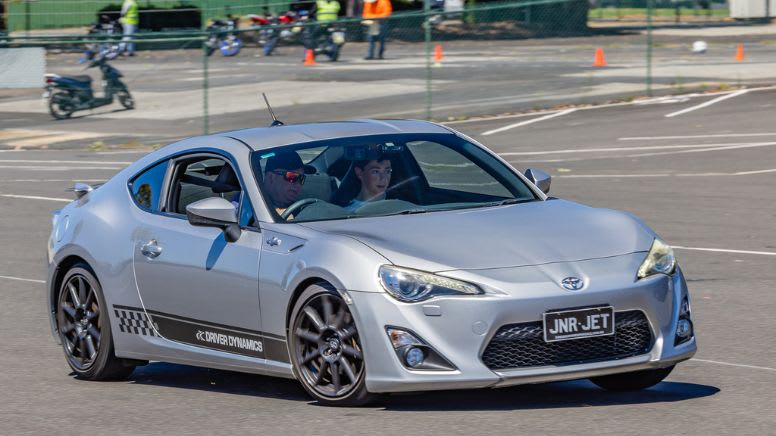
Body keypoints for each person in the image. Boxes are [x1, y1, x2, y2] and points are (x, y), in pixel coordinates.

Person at [263, 151, 309, 217]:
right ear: (271, 177)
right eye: (292, 177)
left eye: (301, 178)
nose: (298, 184)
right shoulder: (252, 207)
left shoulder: (304, 209)